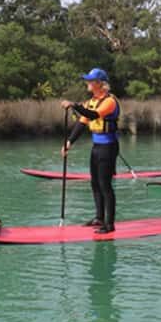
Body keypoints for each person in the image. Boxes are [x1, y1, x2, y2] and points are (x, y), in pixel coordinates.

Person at [61, 68, 120, 234]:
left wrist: (74, 105)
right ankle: (99, 218)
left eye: (90, 80)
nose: (87, 82)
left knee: (105, 184)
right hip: (97, 147)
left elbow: (93, 115)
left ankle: (109, 224)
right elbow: (82, 123)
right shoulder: (91, 101)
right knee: (95, 182)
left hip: (108, 147)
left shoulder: (110, 101)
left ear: (99, 83)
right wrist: (69, 142)